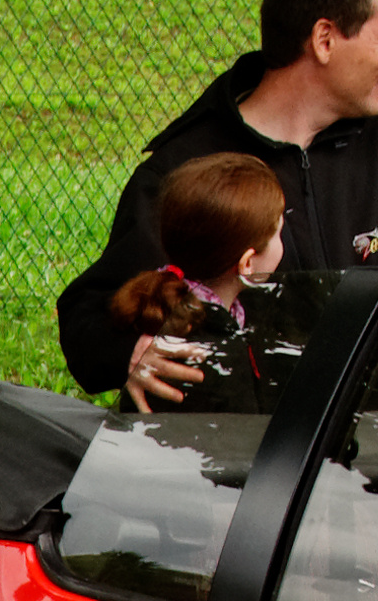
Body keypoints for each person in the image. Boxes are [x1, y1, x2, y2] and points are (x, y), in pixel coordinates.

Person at [58, 0, 378, 408]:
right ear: (324, 40)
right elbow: (86, 315)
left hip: (368, 457)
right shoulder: (190, 166)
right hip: (240, 462)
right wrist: (130, 354)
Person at [103, 152, 292, 414]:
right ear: (247, 263)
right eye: (278, 232)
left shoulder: (170, 304)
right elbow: (243, 432)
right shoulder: (216, 347)